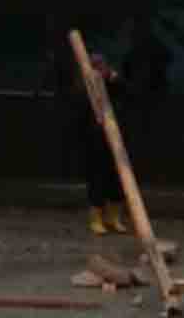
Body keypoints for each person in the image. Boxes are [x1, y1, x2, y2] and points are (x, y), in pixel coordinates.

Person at [78, 51, 129, 236]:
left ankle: (113, 218)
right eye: (94, 65)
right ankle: (96, 218)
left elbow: (125, 90)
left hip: (115, 136)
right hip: (95, 139)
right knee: (97, 177)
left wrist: (112, 77)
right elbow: (81, 111)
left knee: (116, 177)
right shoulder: (85, 85)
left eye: (101, 64)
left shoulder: (113, 81)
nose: (98, 68)